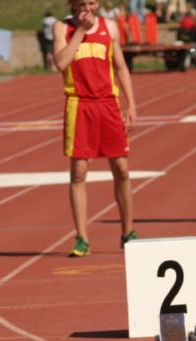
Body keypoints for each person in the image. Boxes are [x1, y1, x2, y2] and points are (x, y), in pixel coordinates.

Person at [53, 0, 137, 256]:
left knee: (121, 168)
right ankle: (82, 238)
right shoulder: (62, 28)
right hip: (79, 105)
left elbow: (120, 68)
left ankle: (128, 232)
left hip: (107, 104)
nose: (86, 9)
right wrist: (80, 30)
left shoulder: (109, 27)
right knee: (78, 172)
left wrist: (131, 104)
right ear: (72, 5)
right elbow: (60, 62)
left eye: (90, 3)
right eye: (81, 4)